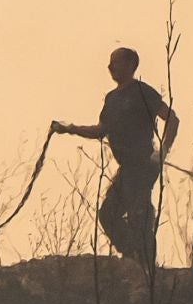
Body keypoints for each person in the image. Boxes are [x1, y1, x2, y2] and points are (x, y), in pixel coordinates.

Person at [50, 47, 181, 269]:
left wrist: (163, 150)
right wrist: (70, 128)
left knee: (139, 216)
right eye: (110, 62)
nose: (110, 67)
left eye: (116, 62)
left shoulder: (142, 92)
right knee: (108, 214)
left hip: (142, 165)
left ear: (131, 65)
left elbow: (172, 119)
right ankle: (134, 258)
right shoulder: (112, 99)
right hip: (127, 168)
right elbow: (101, 130)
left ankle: (146, 268)